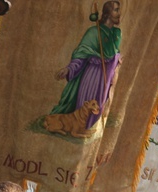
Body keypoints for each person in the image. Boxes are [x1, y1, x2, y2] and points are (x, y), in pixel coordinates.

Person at [47, 0, 122, 130]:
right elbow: (81, 54)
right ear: (107, 13)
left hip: (106, 77)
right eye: (115, 10)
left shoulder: (117, 33)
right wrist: (69, 69)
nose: (119, 13)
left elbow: (114, 54)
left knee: (100, 107)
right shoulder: (94, 32)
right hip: (92, 76)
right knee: (87, 106)